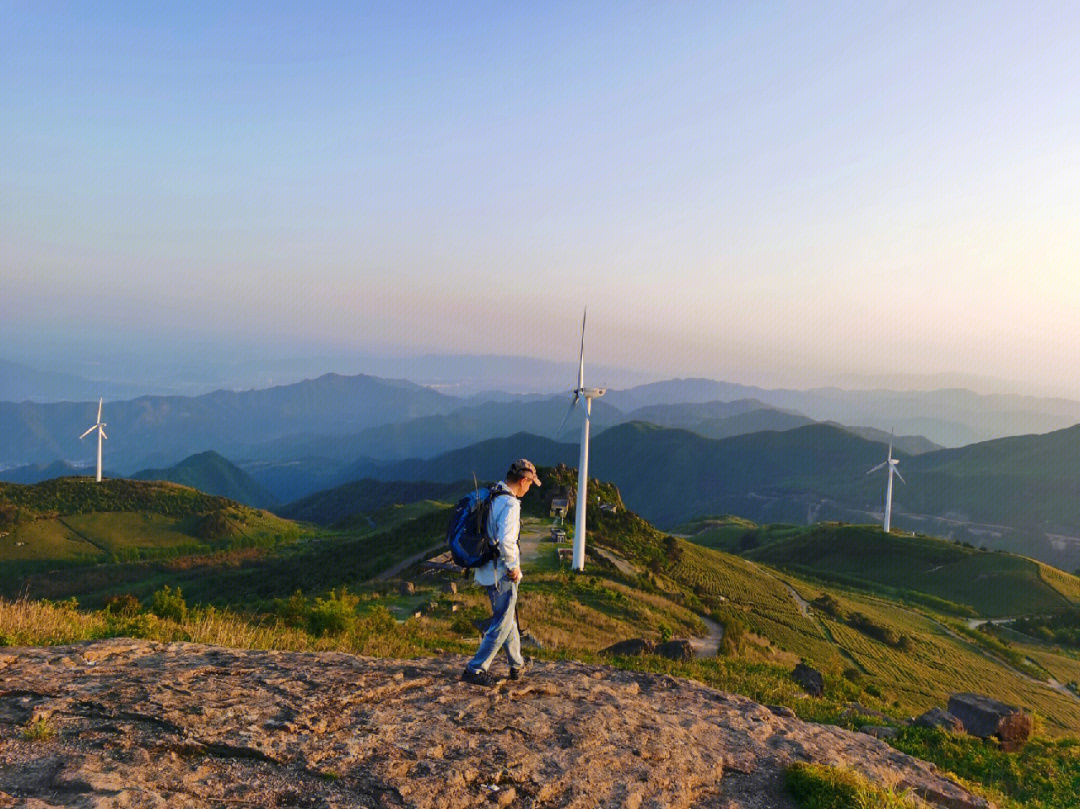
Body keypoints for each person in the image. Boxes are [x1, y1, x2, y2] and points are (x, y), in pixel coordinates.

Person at [461, 458, 541, 686]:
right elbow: (507, 541)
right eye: (530, 483)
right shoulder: (510, 504)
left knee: (507, 620)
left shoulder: (493, 493)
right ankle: (475, 669)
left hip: (486, 567)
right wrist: (513, 568)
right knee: (501, 623)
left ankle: (517, 665)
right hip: (501, 573)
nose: (529, 488)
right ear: (523, 480)